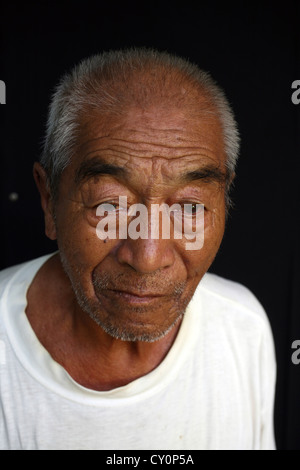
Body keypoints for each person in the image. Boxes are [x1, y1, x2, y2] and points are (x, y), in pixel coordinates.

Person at [0, 48, 276, 450]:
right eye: (109, 204)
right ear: (49, 200)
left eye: (191, 207)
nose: (147, 257)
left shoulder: (242, 329)